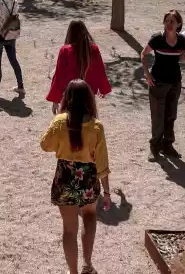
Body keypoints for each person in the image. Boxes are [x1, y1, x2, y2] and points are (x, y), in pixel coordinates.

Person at [40, 80, 113, 274]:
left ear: (67, 98)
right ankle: (87, 264)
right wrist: (106, 192)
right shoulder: (97, 126)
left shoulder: (59, 122)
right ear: (89, 98)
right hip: (88, 178)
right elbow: (102, 163)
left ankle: (73, 272)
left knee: (68, 229)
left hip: (64, 177)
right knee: (89, 216)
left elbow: (45, 145)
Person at [142, 9, 185, 160]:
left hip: (175, 83)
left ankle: (168, 145)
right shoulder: (157, 38)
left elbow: (181, 57)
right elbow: (143, 54)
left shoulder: (181, 39)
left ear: (179, 24)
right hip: (158, 82)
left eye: (172, 21)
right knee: (158, 116)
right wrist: (147, 73)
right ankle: (155, 146)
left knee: (171, 115)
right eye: (167, 21)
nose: (169, 24)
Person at [47, 20, 112, 111]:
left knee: (70, 122)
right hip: (88, 94)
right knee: (88, 122)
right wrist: (103, 88)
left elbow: (59, 76)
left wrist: (55, 99)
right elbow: (100, 70)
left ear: (70, 33)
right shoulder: (93, 49)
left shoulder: (65, 50)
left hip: (70, 95)